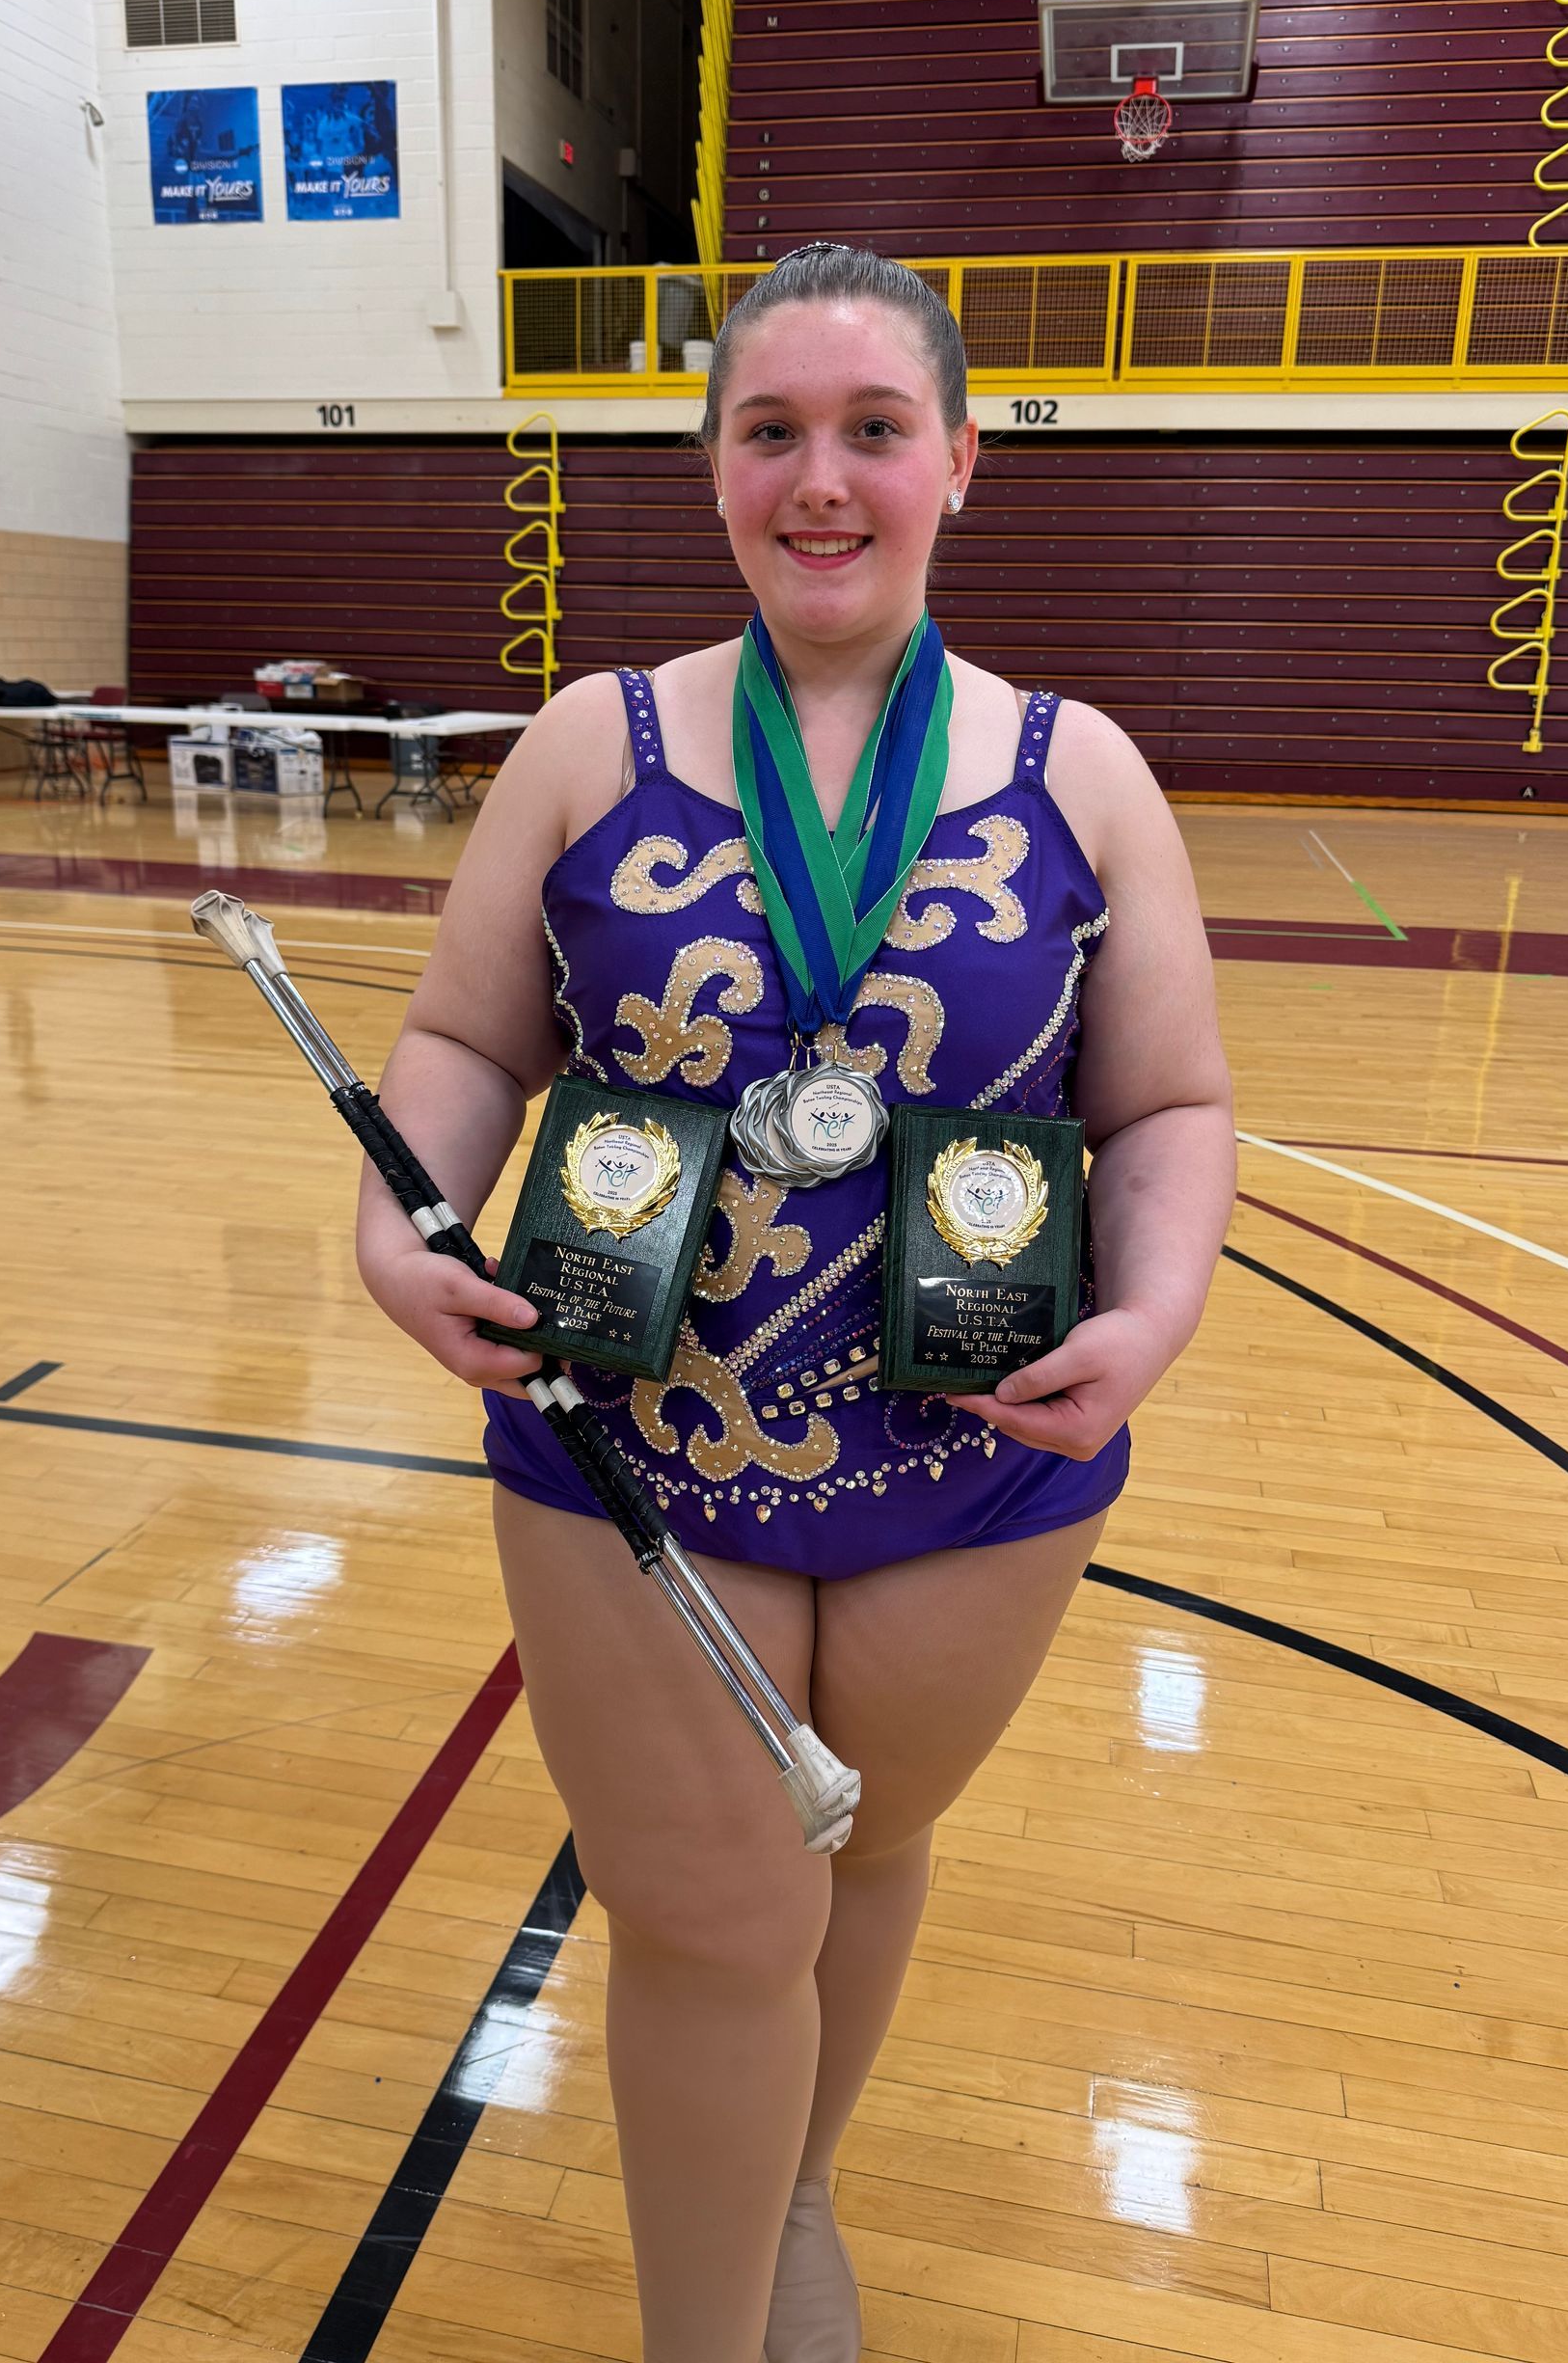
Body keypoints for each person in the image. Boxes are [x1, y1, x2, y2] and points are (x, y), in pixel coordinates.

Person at [357, 243, 1234, 2363]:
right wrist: (403, 1229)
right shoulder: (595, 740)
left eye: (870, 428)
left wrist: (1160, 1308)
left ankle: (799, 2182)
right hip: (632, 1444)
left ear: (956, 461)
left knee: (864, 1853)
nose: (821, 477)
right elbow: (468, 1040)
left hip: (984, 1447)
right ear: (714, 466)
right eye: (773, 430)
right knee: (716, 1911)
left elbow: (1178, 1094)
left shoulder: (1083, 770)